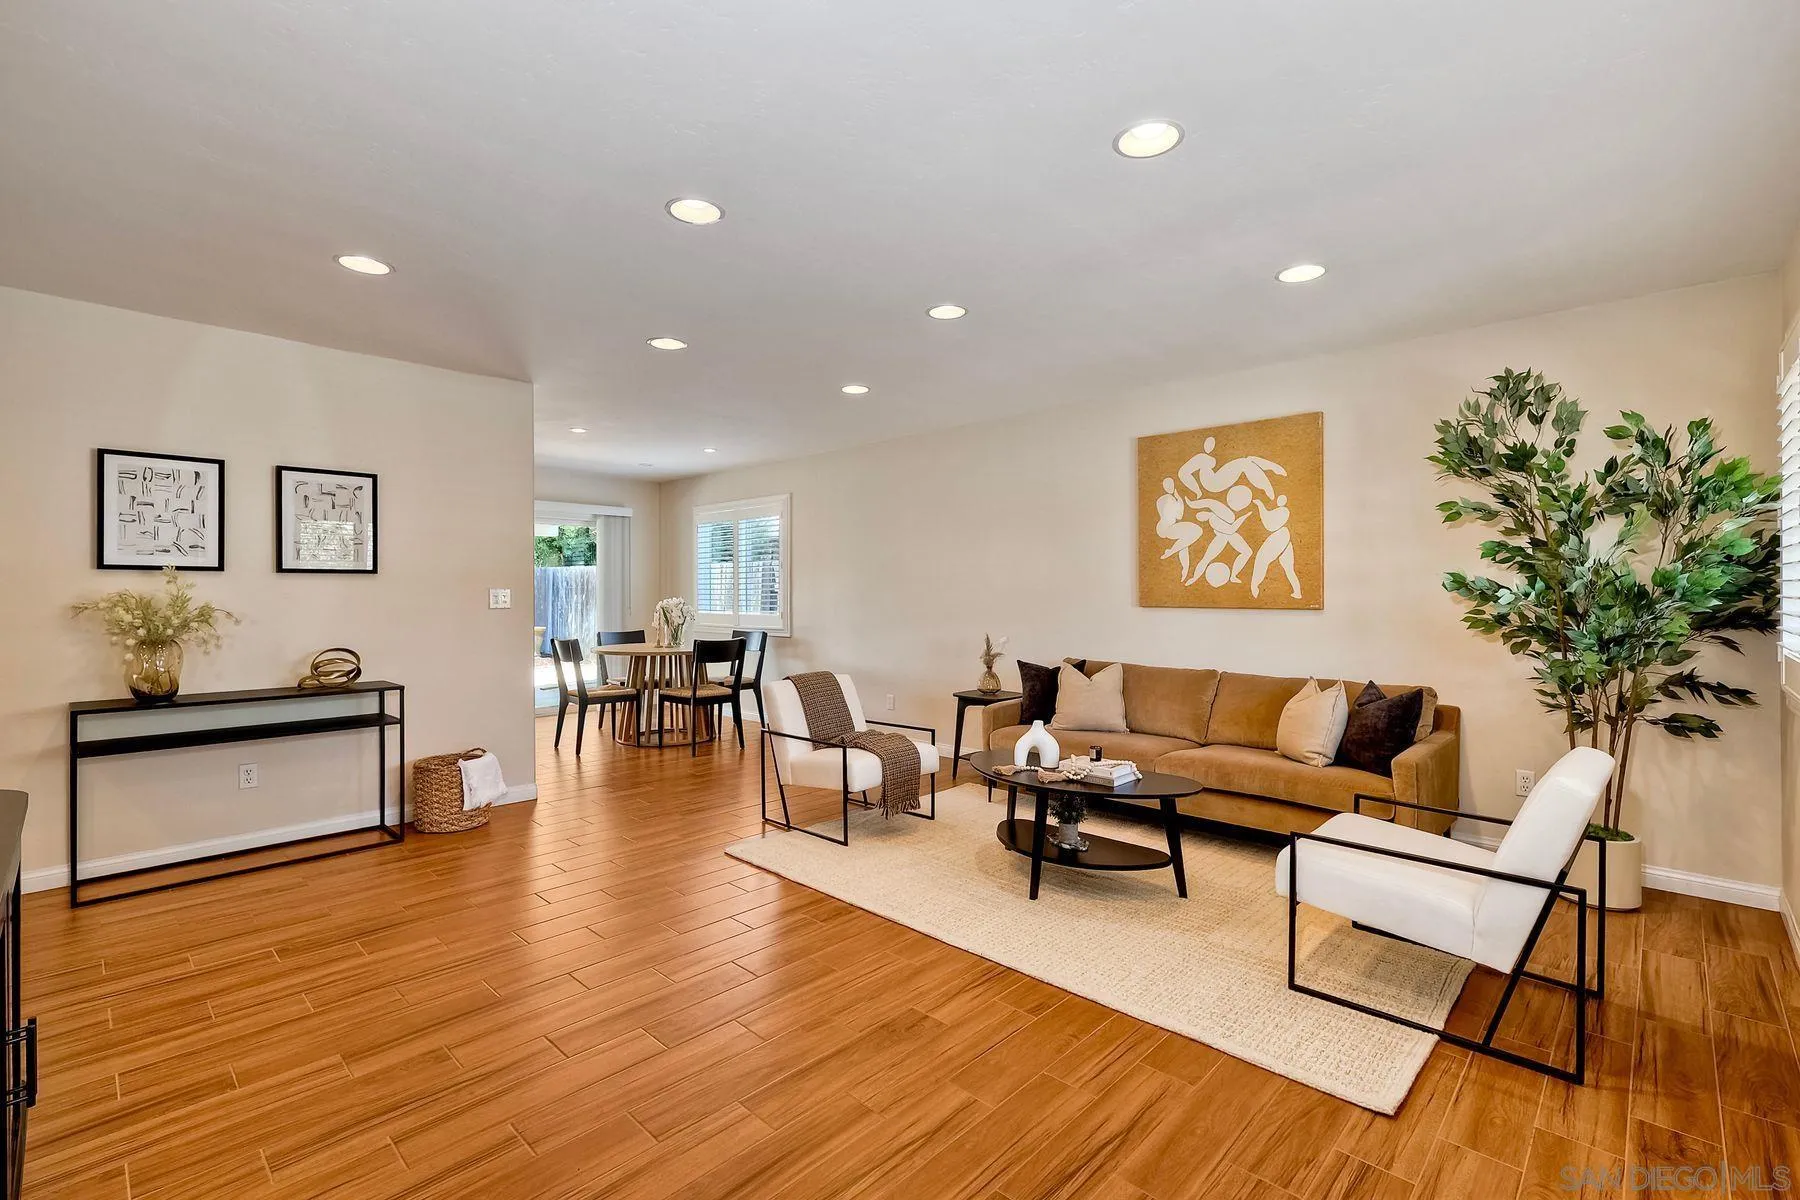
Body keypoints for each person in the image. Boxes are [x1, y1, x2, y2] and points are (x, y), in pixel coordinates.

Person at [1178, 436, 1287, 502]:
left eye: (1212, 443)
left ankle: (1272, 470)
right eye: (1209, 442)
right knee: (1245, 463)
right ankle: (1269, 479)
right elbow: (1182, 473)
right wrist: (1197, 490)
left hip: (1216, 478)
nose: (1211, 445)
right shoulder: (1200, 457)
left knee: (1248, 460)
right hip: (1213, 483)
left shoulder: (1206, 458)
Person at [1153, 478, 1205, 583]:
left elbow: (1178, 516)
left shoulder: (1168, 499)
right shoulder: (1167, 499)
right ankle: (1171, 551)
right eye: (1168, 485)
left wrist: (1178, 500)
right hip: (1168, 528)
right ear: (1164, 486)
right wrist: (1179, 501)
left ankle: (1185, 569)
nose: (1170, 487)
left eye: (1171, 484)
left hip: (1167, 527)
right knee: (1197, 531)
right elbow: (1178, 516)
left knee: (1184, 543)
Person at [1251, 494, 1302, 599]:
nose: (1278, 500)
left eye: (1280, 499)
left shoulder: (1283, 511)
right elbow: (1268, 519)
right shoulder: (1281, 511)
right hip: (1284, 537)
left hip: (1280, 538)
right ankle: (1297, 592)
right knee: (1288, 568)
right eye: (1279, 498)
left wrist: (1260, 505)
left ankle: (1254, 585)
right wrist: (1261, 506)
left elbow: (1269, 525)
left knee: (1262, 558)